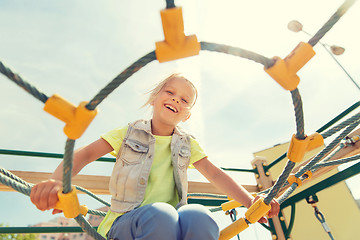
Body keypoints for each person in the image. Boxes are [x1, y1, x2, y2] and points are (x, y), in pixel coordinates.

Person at [30, 73, 280, 240]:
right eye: (169, 92)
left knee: (200, 216)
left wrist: (250, 202)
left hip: (173, 224)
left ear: (187, 115)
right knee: (161, 214)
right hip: (126, 224)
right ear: (154, 97)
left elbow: (215, 174)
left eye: (184, 100)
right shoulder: (128, 134)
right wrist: (55, 182)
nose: (175, 99)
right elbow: (84, 154)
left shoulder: (187, 143)